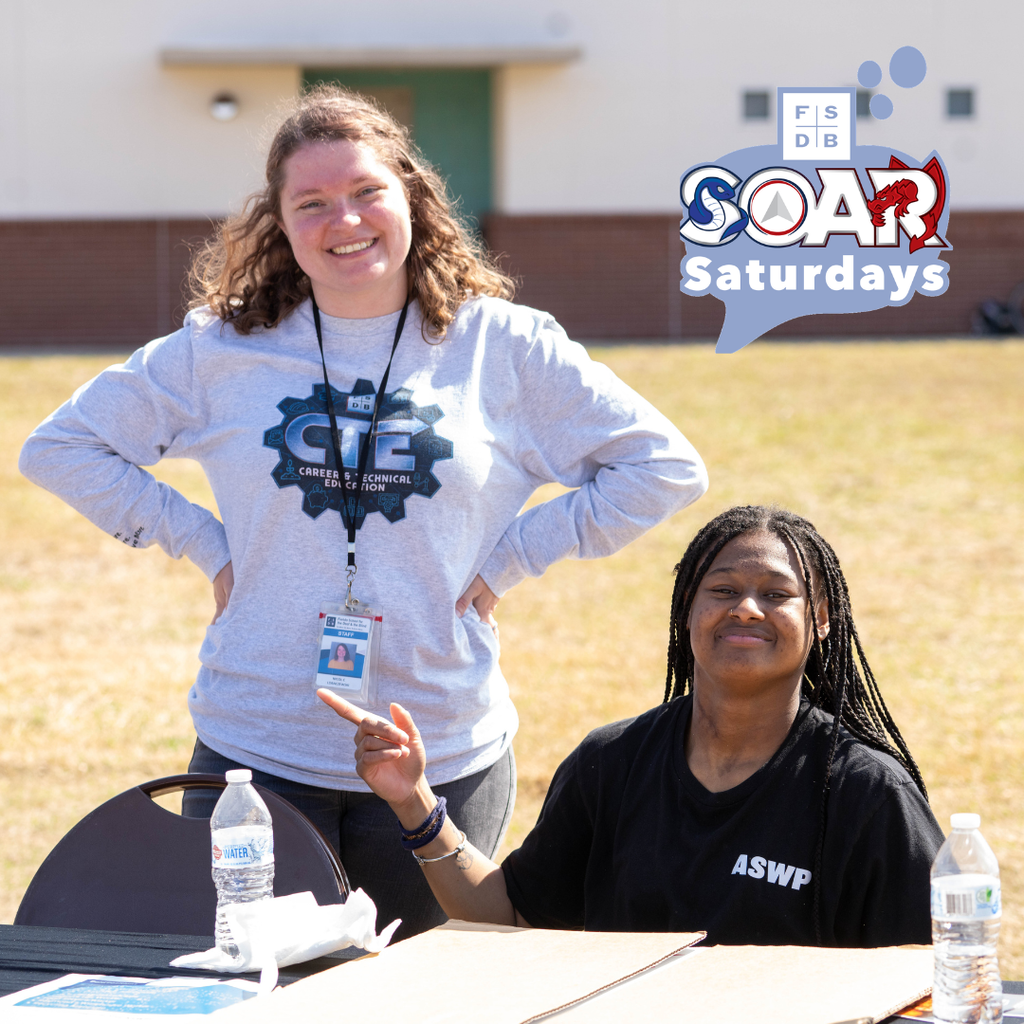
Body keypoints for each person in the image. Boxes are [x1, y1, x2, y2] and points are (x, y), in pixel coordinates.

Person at [18, 86, 708, 939]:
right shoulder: (221, 349)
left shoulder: (506, 347)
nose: (344, 220)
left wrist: (514, 555)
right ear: (279, 223)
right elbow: (59, 448)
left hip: (437, 747)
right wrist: (204, 543)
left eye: (366, 192)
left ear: (411, 197)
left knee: (418, 996)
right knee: (249, 992)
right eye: (312, 203)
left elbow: (665, 466)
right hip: (256, 750)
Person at [320, 505, 944, 946]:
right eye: (722, 589)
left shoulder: (867, 795)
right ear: (688, 612)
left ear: (822, 619)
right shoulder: (612, 763)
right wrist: (414, 801)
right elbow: (508, 913)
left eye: (777, 594)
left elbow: (934, 974)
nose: (746, 608)